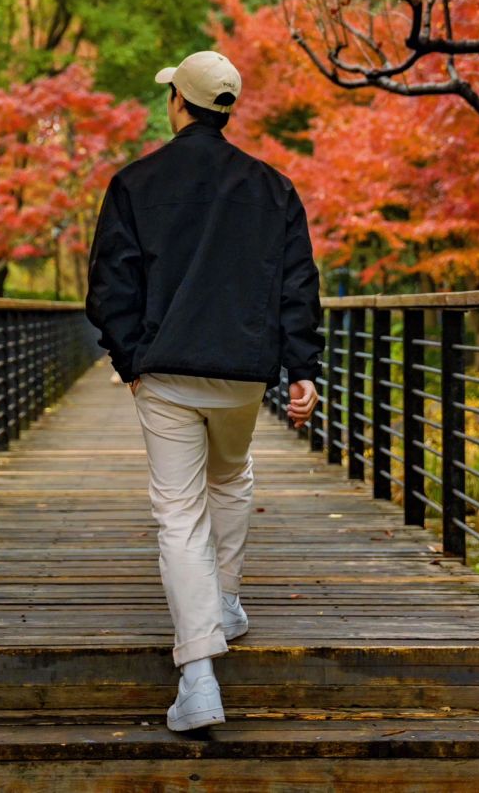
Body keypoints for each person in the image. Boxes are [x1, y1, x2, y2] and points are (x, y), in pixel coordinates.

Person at [85, 49, 323, 734]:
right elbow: (296, 285)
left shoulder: (136, 182)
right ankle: (226, 601)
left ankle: (198, 676)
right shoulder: (273, 187)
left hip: (165, 371)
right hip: (244, 372)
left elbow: (109, 286)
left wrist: (130, 356)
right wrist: (300, 366)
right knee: (232, 473)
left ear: (178, 103)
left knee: (178, 513)